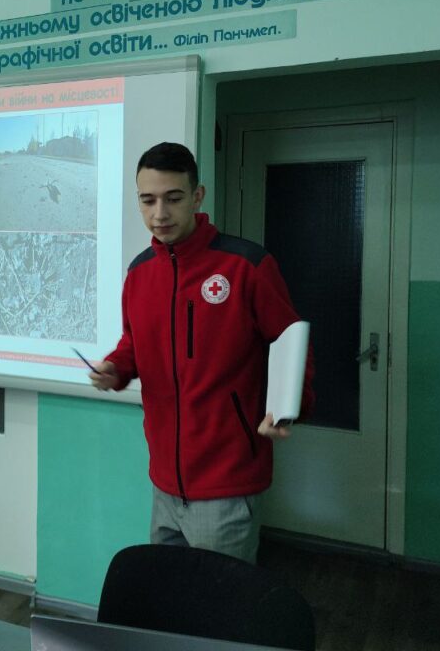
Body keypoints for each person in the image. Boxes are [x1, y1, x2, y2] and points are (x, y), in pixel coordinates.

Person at [90, 142, 314, 564]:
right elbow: (134, 343)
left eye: (173, 198)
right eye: (148, 200)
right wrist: (115, 368)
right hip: (164, 482)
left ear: (197, 197)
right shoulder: (139, 272)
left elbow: (292, 343)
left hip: (227, 483)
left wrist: (288, 406)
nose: (160, 213)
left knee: (220, 600)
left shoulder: (245, 265)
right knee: (169, 596)